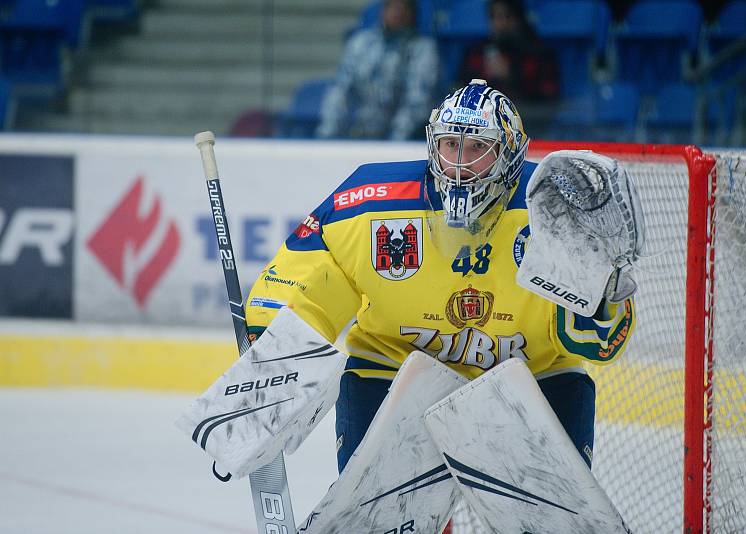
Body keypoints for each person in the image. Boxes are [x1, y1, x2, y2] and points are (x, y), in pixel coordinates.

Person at [247, 79, 637, 474]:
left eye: (478, 147)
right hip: (395, 371)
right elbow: (312, 268)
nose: (461, 164)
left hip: (535, 377)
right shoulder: (372, 202)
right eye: (451, 145)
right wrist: (271, 338)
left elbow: (598, 344)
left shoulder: (553, 211)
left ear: (510, 154)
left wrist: (605, 292)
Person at [315, 0, 440, 141]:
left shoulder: (422, 49)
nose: (397, 13)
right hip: (355, 133)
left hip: (399, 139)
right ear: (383, 11)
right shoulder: (361, 43)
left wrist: (396, 140)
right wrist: (328, 135)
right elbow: (340, 89)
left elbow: (417, 101)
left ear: (412, 13)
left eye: (403, 8)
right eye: (392, 7)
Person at [458, 0, 559, 135]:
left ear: (519, 19)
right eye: (495, 17)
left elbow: (548, 100)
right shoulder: (477, 53)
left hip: (529, 128)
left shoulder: (539, 55)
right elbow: (460, 92)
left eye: (507, 16)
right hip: (480, 129)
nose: (501, 24)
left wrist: (511, 76)